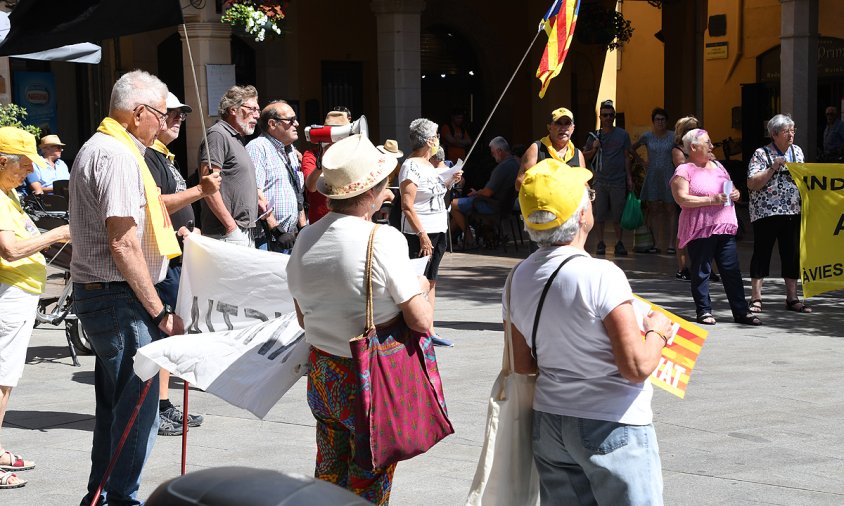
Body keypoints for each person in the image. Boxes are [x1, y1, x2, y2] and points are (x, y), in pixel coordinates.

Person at [508, 158, 673, 505]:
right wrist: (657, 331)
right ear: (582, 215)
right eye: (590, 197)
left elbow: (523, 365)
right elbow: (636, 367)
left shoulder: (517, 278)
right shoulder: (601, 275)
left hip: (551, 421)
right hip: (613, 423)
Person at [286, 134, 433, 505]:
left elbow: (304, 317)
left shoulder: (305, 238)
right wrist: (421, 284)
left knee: (329, 470)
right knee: (368, 478)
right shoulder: (382, 239)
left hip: (323, 374)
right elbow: (421, 322)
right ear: (372, 190)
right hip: (368, 375)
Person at [70, 70, 186, 505]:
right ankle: (120, 499)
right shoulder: (117, 155)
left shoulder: (106, 147)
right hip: (118, 298)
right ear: (138, 114)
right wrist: (159, 311)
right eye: (160, 114)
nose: (164, 123)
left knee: (118, 410)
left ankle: (101, 497)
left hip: (108, 297)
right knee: (138, 412)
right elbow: (122, 241)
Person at [144, 92, 220, 436]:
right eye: (172, 113)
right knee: (162, 333)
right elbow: (155, 205)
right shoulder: (146, 156)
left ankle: (163, 404)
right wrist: (200, 192)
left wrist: (189, 227)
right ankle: (154, 408)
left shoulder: (163, 155)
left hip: (177, 253)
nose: (178, 119)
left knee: (173, 333)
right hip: (163, 259)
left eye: (182, 115)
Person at [0, 127, 71, 490]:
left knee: (6, 380)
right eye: (24, 164)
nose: (29, 171)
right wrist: (56, 235)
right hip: (8, 296)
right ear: (2, 161)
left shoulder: (8, 193)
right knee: (1, 379)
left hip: (17, 294)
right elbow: (10, 250)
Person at [670, 128, 760, 326]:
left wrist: (735, 193)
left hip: (723, 225)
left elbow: (730, 187)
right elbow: (681, 199)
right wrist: (711, 200)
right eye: (707, 142)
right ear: (693, 147)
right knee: (701, 270)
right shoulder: (684, 170)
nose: (712, 146)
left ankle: (741, 311)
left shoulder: (718, 165)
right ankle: (703, 310)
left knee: (731, 271)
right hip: (701, 228)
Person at [399, 118, 461, 337]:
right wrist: (422, 235)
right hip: (420, 232)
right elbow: (407, 205)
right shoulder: (411, 166)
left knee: (432, 280)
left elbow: (433, 192)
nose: (437, 140)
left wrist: (450, 180)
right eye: (435, 136)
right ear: (427, 140)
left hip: (438, 228)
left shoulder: (429, 164)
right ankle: (415, 329)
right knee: (419, 282)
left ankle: (429, 330)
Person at [746, 114, 810, 314]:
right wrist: (773, 167)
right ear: (774, 134)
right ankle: (756, 298)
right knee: (762, 253)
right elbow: (752, 183)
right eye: (787, 131)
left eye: (793, 130)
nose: (791, 134)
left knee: (791, 254)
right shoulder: (761, 154)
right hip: (766, 213)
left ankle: (792, 298)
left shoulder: (797, 152)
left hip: (792, 211)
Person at [198, 85, 260, 247]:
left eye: (258, 110)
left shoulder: (237, 138)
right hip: (226, 234)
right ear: (233, 110)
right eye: (252, 109)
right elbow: (207, 186)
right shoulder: (218, 135)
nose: (257, 115)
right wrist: (231, 226)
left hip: (243, 231)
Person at [247, 100, 304, 251]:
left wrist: (303, 226)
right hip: (268, 238)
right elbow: (255, 192)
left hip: (291, 237)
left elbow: (296, 192)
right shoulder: (258, 147)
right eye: (291, 120)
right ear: (272, 124)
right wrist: (275, 229)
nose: (296, 124)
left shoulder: (291, 150)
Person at [583, 99, 633, 256]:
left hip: (618, 180)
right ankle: (600, 242)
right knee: (600, 214)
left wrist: (629, 178)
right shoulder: (594, 136)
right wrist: (594, 148)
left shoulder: (623, 135)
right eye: (605, 115)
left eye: (611, 115)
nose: (608, 118)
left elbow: (626, 157)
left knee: (618, 215)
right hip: (600, 181)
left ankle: (619, 243)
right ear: (600, 117)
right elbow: (584, 156)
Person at [450, 136, 518, 248]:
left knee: (452, 204)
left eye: (493, 153)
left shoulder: (502, 167)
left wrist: (476, 193)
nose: (492, 156)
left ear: (499, 151)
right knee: (462, 208)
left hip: (493, 205)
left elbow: (487, 192)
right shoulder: (516, 164)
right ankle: (450, 238)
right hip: (506, 205)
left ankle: (468, 238)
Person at [631, 108, 676, 254]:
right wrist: (641, 161)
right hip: (652, 176)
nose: (660, 122)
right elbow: (631, 148)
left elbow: (683, 150)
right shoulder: (647, 136)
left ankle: (671, 244)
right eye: (657, 119)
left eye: (663, 119)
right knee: (654, 209)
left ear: (667, 121)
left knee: (670, 209)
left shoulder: (673, 136)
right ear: (653, 121)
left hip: (669, 175)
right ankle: (655, 243)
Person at [516, 107, 586, 190]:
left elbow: (584, 184)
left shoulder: (577, 154)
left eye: (567, 123)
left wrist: (589, 192)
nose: (563, 128)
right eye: (558, 123)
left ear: (572, 128)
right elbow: (520, 183)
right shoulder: (537, 148)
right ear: (549, 127)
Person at [302, 111, 349, 225]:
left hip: (350, 219)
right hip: (321, 223)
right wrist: (322, 162)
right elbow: (311, 187)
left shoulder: (352, 153)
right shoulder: (311, 155)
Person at [671, 116, 700, 281]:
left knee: (702, 230)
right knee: (683, 231)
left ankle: (703, 266)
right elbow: (684, 167)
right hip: (684, 192)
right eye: (690, 129)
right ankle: (682, 268)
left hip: (701, 192)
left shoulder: (700, 146)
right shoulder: (678, 149)